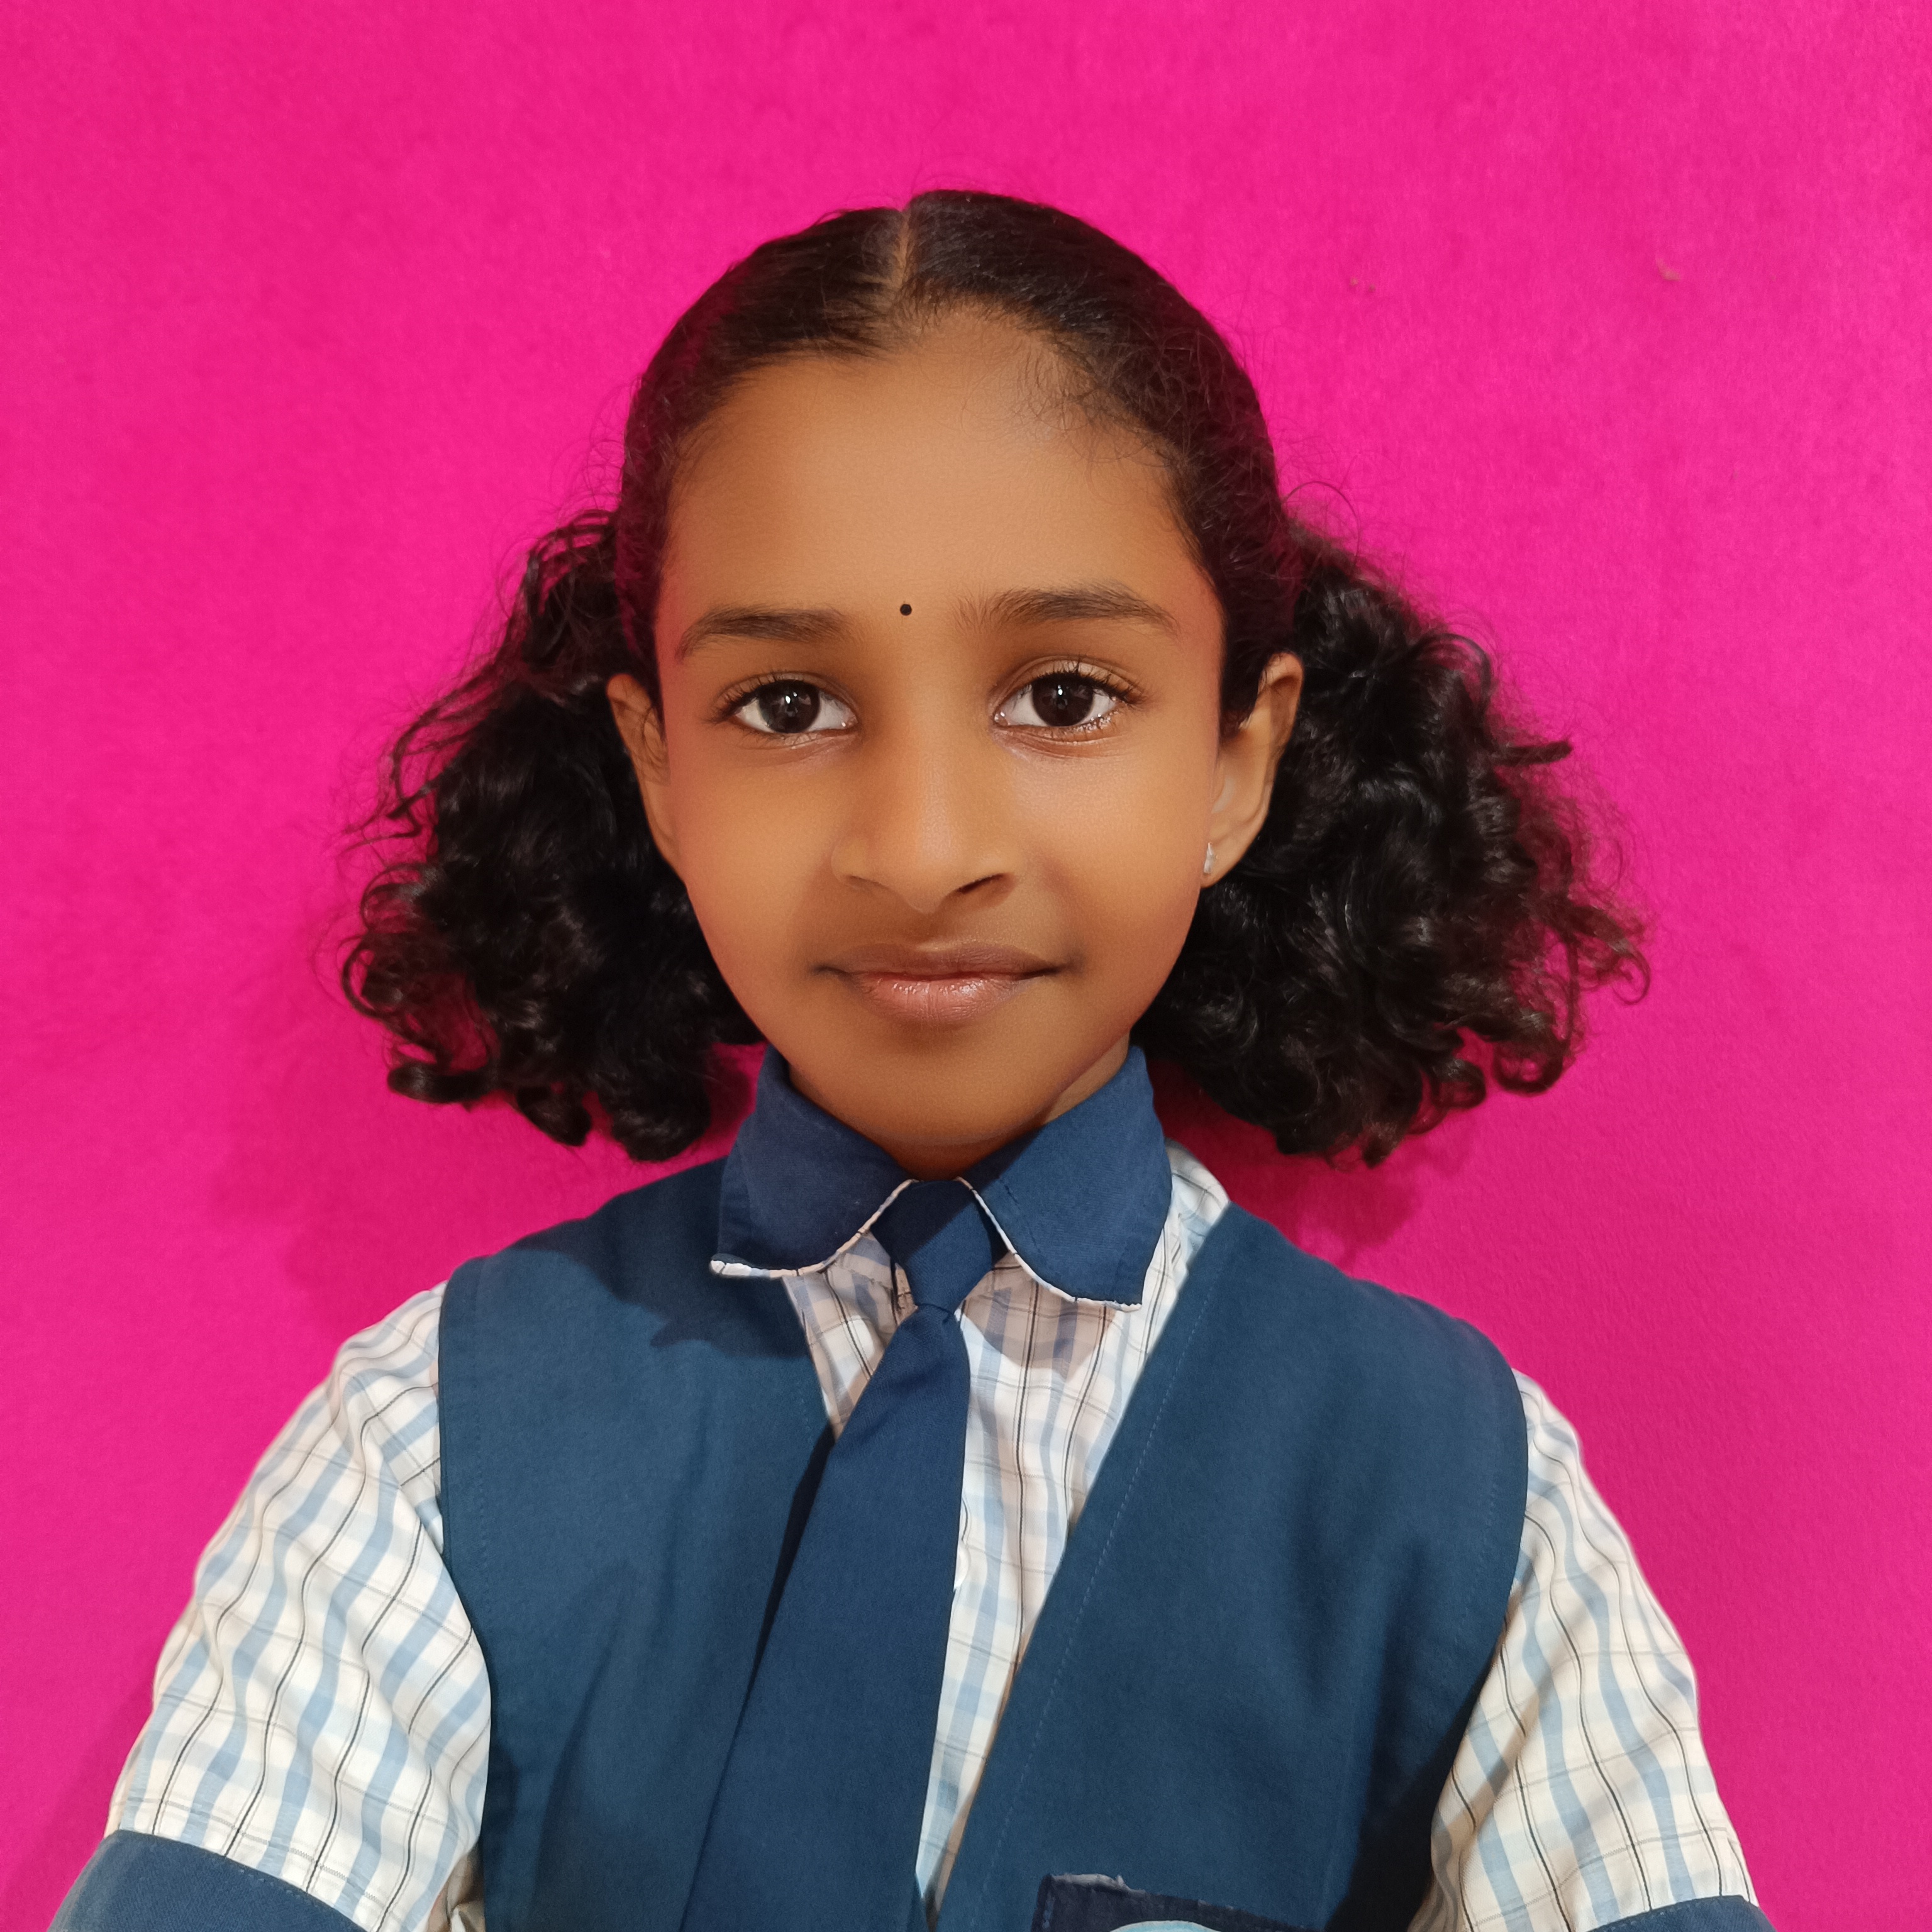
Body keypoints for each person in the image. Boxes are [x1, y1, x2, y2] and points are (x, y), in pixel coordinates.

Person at [55, 191, 1768, 1932]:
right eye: (786, 705)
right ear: (659, 770)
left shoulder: (1464, 1498)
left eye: (1065, 696)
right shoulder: (429, 1444)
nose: (925, 848)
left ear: (1238, 759)